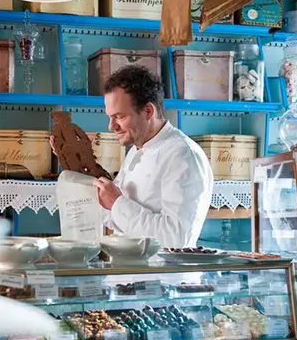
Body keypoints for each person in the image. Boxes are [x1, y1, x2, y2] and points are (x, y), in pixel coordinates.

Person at [51, 65, 213, 248]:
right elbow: (115, 217)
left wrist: (116, 202)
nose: (111, 126)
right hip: (130, 271)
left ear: (148, 111)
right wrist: (76, 165)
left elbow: (176, 238)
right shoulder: (137, 149)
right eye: (110, 117)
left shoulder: (183, 155)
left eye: (119, 116)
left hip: (163, 274)